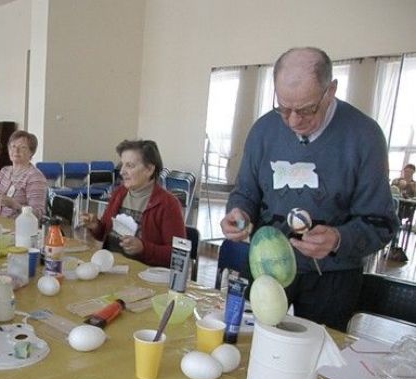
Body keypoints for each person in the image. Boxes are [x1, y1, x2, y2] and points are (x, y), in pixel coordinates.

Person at [221, 47, 399, 331]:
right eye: (283, 108)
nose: (293, 121)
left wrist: (339, 239)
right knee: (253, 347)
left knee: (317, 358)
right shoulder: (263, 131)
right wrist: (238, 213)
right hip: (266, 267)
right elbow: (246, 191)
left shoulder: (364, 136)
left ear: (330, 91)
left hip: (332, 278)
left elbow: (382, 224)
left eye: (306, 109)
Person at [80, 139, 186, 267]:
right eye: (122, 165)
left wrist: (143, 248)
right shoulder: (119, 193)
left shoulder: (168, 204)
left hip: (143, 277)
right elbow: (104, 235)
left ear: (149, 169)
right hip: (111, 268)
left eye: (129, 166)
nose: (121, 171)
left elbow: (177, 255)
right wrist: (95, 225)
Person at [0, 130, 47, 218]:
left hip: (20, 227)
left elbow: (39, 214)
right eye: (13, 146)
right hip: (1, 224)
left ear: (31, 152)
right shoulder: (5, 171)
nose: (16, 150)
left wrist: (15, 205)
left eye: (22, 147)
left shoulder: (35, 177)